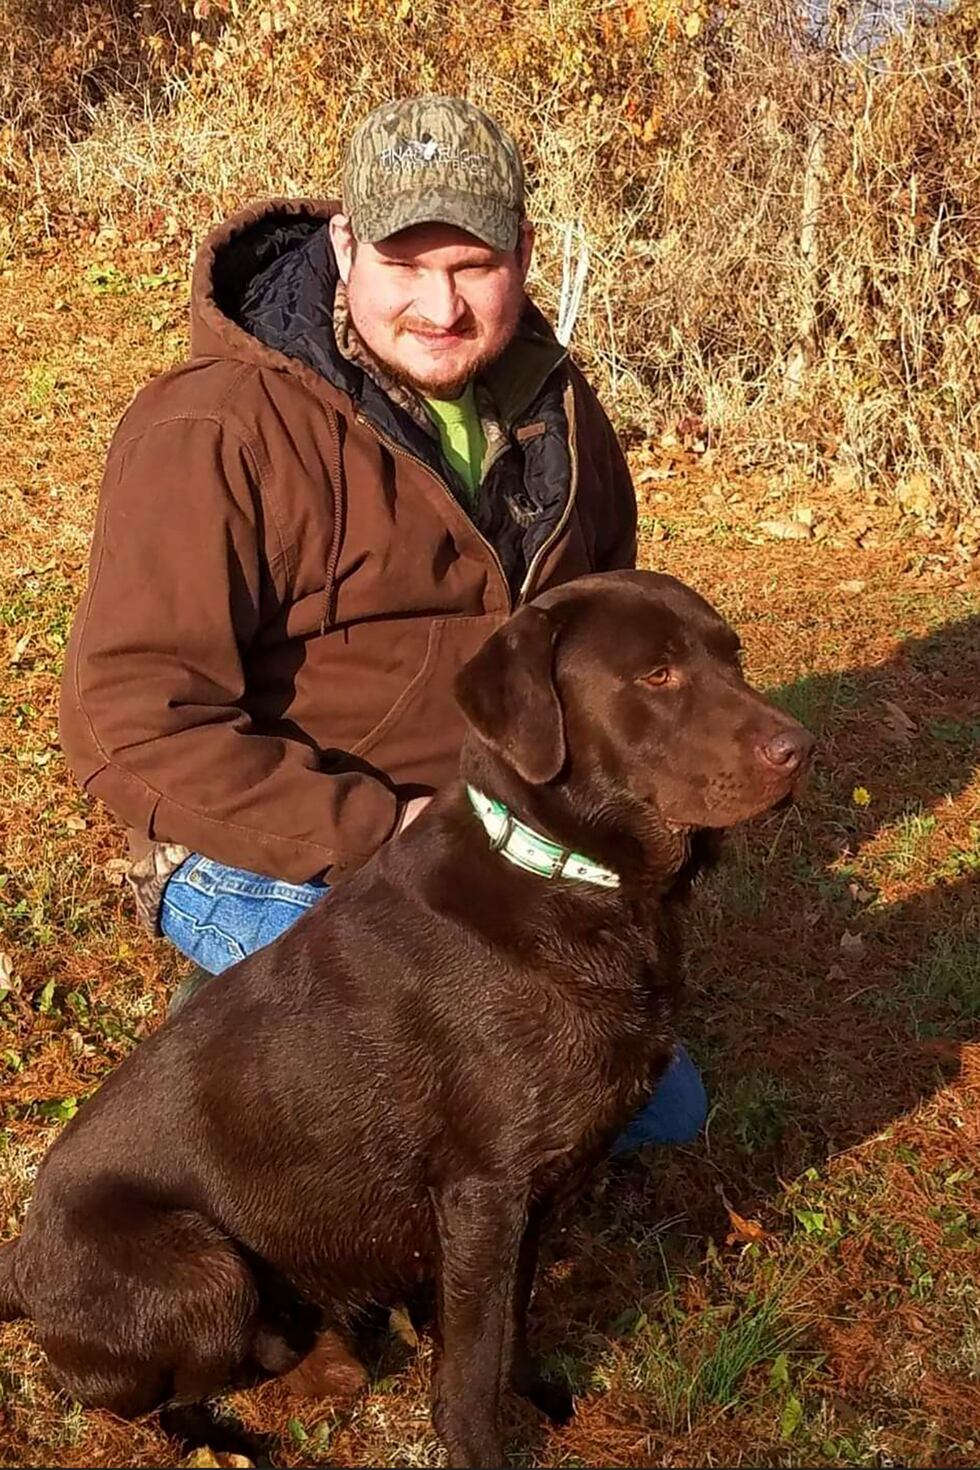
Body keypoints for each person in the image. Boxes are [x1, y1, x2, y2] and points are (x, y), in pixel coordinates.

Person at [59, 95, 707, 1150]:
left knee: (649, 1110)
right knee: (461, 1097)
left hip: (488, 827)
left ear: (524, 254)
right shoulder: (210, 428)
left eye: (472, 267)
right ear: (345, 244)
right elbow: (127, 721)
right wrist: (380, 829)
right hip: (267, 844)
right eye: (405, 265)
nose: (439, 308)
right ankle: (248, 1047)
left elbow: (597, 632)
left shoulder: (559, 404)